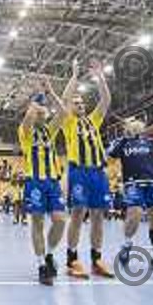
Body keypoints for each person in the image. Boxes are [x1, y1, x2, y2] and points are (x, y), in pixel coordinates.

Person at [60, 60, 114, 279]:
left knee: (98, 216)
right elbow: (64, 99)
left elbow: (106, 100)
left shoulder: (94, 120)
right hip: (79, 171)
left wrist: (100, 77)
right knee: (77, 214)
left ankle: (96, 259)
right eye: (76, 103)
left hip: (98, 172)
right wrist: (74, 75)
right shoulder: (68, 122)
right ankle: (72, 260)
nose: (80, 104)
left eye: (81, 102)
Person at [107, 118, 153, 274]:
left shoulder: (149, 142)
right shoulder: (123, 142)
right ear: (128, 128)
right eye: (132, 124)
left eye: (138, 124)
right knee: (135, 214)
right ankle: (126, 245)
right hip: (133, 183)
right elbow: (111, 153)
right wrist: (125, 136)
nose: (136, 126)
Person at [18, 82, 66, 286]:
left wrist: (51, 92)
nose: (42, 115)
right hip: (34, 181)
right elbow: (28, 117)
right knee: (37, 223)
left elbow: (63, 113)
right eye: (40, 112)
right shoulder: (25, 131)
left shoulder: (49, 131)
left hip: (53, 181)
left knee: (60, 220)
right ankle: (41, 266)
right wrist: (37, 99)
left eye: (43, 113)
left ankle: (49, 254)